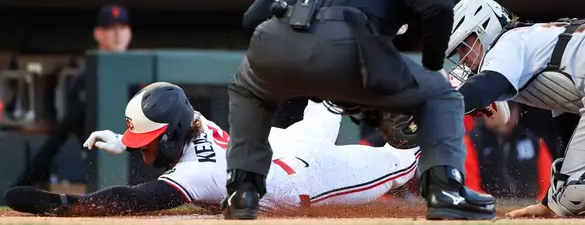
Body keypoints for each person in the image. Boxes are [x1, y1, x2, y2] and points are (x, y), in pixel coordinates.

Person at [221, 0, 496, 221]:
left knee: (248, 92)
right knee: (442, 96)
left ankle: (243, 191)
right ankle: (444, 192)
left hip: (275, 45)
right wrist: (430, 68)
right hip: (350, 45)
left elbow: (251, 19)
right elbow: (440, 7)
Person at [5, 83, 420, 215]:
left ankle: (452, 96)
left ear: (171, 135)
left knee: (407, 158)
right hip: (283, 147)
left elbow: (128, 199)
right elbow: (168, 132)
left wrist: (63, 205)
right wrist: (124, 139)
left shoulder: (196, 173)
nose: (143, 153)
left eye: (145, 144)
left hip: (311, 175)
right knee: (326, 95)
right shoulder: (192, 118)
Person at [445, 0, 585, 218]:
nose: (462, 58)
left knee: (569, 195)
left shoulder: (509, 41)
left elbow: (488, 84)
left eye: (464, 46)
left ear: (485, 28)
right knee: (565, 190)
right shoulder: (543, 48)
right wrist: (550, 202)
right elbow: (569, 132)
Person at [14, 4, 132, 188]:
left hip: (137, 153)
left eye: (122, 28)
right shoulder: (85, 77)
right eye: (110, 28)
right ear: (98, 34)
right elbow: (68, 126)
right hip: (101, 153)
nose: (118, 34)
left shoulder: (138, 72)